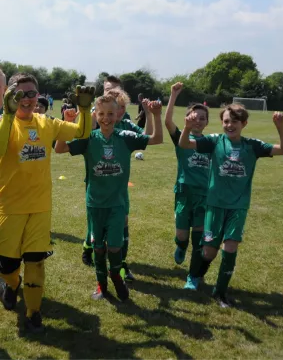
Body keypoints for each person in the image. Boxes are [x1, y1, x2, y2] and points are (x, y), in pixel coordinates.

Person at [0, 72, 94, 333]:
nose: (27, 99)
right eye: (20, 94)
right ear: (9, 96)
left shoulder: (47, 123)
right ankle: (9, 283)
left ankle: (33, 314)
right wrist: (7, 115)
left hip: (40, 207)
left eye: (32, 94)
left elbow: (82, 131)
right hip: (9, 208)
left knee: (35, 263)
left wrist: (83, 109)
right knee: (7, 265)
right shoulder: (4, 124)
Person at [54, 92, 163, 301]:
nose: (106, 118)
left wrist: (156, 115)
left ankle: (115, 275)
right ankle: (101, 285)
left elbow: (156, 139)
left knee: (114, 246)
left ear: (118, 114)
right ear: (95, 114)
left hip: (117, 204)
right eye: (101, 113)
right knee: (97, 247)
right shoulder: (88, 139)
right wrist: (66, 123)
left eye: (110, 113)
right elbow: (59, 148)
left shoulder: (125, 138)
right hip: (95, 203)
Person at [179, 103, 283, 307]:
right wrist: (186, 127)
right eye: (226, 121)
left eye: (234, 121)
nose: (230, 125)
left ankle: (220, 293)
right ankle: (194, 276)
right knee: (208, 252)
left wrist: (280, 127)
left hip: (238, 207)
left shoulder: (252, 146)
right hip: (215, 204)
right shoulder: (214, 141)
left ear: (244, 123)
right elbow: (185, 144)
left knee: (230, 247)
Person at [83, 89, 153, 284]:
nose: (120, 111)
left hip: (119, 188)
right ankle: (89, 249)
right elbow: (83, 137)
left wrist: (149, 114)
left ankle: (120, 265)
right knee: (96, 226)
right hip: (97, 183)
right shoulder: (99, 122)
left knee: (122, 224)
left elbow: (147, 138)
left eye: (122, 107)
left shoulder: (126, 126)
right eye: (117, 107)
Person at [164, 82, 211, 289]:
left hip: (204, 197)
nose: (198, 121)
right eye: (195, 117)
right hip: (184, 194)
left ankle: (193, 277)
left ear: (207, 122)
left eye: (202, 118)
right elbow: (167, 122)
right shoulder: (182, 139)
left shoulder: (212, 142)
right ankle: (180, 246)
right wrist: (173, 95)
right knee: (182, 236)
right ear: (188, 119)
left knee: (199, 239)